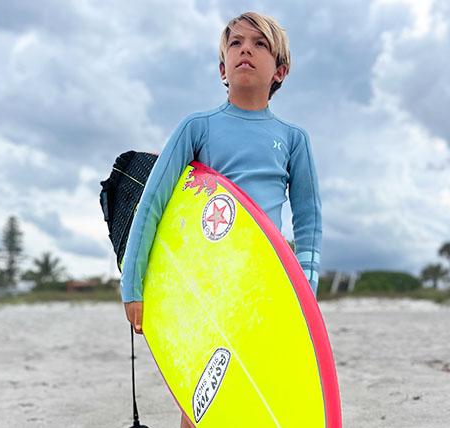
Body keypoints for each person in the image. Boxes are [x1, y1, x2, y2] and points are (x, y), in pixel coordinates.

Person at [121, 11, 322, 428]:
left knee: (255, 392)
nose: (245, 48)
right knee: (201, 396)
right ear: (222, 68)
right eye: (235, 43)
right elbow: (154, 204)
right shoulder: (198, 127)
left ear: (280, 70)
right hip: (206, 284)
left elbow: (309, 222)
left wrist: (305, 291)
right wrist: (133, 284)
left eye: (259, 44)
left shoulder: (292, 139)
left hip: (266, 287)